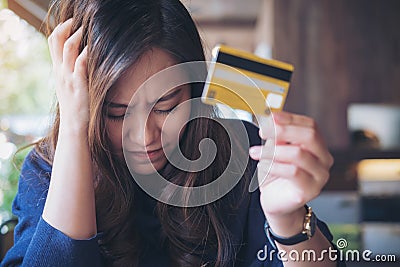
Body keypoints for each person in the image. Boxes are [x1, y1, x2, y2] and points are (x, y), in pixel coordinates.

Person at [1, 0, 345, 266]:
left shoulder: (246, 152)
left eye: (166, 106)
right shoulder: (47, 170)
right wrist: (75, 128)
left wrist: (288, 220)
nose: (145, 136)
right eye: (116, 113)